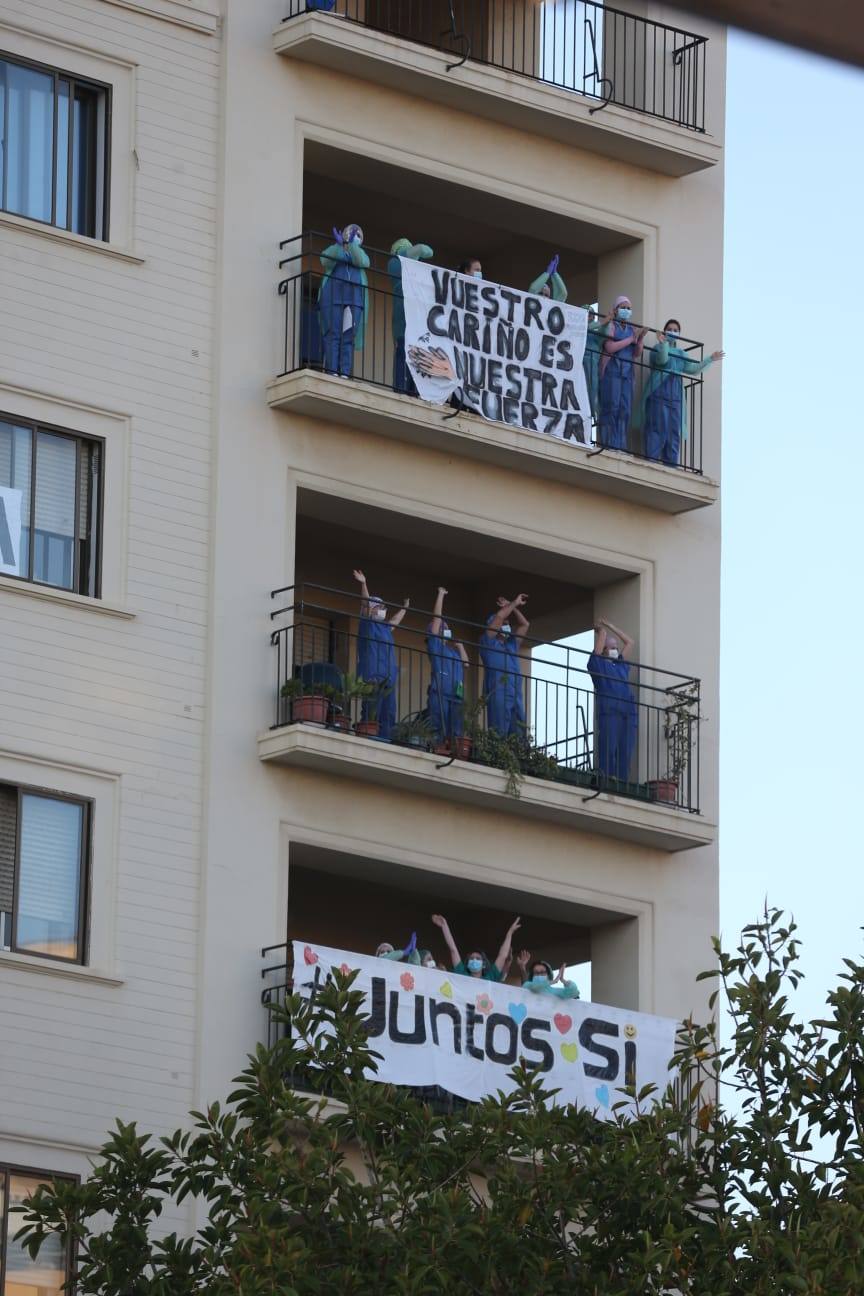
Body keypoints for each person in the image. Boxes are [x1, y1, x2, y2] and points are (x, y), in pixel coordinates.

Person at [638, 320, 725, 466]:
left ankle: (671, 466)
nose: (673, 332)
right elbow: (662, 360)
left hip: (676, 398)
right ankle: (651, 463)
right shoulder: (657, 348)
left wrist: (710, 359)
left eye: (675, 330)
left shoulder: (681, 354)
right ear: (665, 332)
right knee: (656, 428)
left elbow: (693, 369)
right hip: (658, 394)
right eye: (670, 329)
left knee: (673, 433)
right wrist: (663, 344)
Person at [353, 568, 408, 741]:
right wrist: (364, 583)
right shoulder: (367, 623)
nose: (381, 609)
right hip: (373, 677)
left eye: (383, 607)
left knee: (389, 713)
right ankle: (369, 740)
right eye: (377, 606)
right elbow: (364, 602)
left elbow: (395, 621)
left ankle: (386, 742)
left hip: (388, 680)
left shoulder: (385, 628)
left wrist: (405, 607)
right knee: (371, 711)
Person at [587, 616, 638, 784]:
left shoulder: (621, 666)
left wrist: (611, 625)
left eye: (616, 647)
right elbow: (600, 641)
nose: (615, 650)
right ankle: (607, 780)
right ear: (604, 650)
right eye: (612, 648)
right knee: (609, 747)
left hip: (627, 714)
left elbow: (630, 642)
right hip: (609, 712)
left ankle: (622, 782)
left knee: (625, 751)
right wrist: (602, 630)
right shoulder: (598, 664)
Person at [318, 224, 370, 378]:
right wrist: (339, 245)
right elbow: (324, 260)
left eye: (358, 234)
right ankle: (332, 371)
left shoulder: (360, 254)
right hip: (332, 299)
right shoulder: (336, 250)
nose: (354, 236)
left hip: (354, 302)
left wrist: (353, 245)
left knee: (348, 337)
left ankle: (344, 373)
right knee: (333, 335)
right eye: (352, 233)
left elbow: (363, 262)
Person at [598, 295, 647, 450]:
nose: (626, 311)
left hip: (627, 375)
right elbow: (610, 347)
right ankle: (607, 444)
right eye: (623, 307)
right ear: (616, 310)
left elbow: (637, 353)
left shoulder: (632, 329)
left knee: (624, 409)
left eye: (628, 308)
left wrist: (640, 339)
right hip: (612, 371)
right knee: (611, 406)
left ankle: (620, 445)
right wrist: (630, 340)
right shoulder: (611, 326)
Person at [388, 237, 434, 396]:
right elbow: (424, 249)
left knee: (413, 356)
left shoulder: (410, 273)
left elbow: (426, 251)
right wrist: (411, 252)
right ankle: (403, 388)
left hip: (412, 322)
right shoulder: (395, 263)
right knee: (404, 353)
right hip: (405, 321)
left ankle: (412, 389)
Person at [480, 594, 529, 736]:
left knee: (519, 732)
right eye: (504, 624)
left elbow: (525, 624)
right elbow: (499, 617)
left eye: (508, 624)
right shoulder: (488, 642)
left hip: (515, 693)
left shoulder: (512, 644)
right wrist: (513, 603)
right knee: (499, 730)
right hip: (499, 691)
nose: (507, 626)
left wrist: (513, 607)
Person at [426, 586, 469, 746]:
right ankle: (438, 750)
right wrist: (441, 595)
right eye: (443, 627)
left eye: (446, 627)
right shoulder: (435, 645)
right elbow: (436, 618)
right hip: (440, 693)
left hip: (456, 695)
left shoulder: (452, 651)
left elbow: (466, 663)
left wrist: (460, 646)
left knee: (456, 731)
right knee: (438, 726)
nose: (446, 629)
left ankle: (454, 753)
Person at [431, 913, 522, 982]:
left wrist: (510, 933)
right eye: (471, 958)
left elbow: (502, 955)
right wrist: (444, 926)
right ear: (467, 963)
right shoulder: (462, 974)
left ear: (484, 964)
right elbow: (453, 949)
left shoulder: (490, 977)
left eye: (478, 958)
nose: (474, 960)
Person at [582, 305, 613, 423]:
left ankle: (591, 415)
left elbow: (603, 333)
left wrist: (607, 322)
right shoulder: (578, 327)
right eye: (585, 313)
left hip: (592, 365)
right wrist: (602, 322)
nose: (588, 316)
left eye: (591, 314)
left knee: (592, 389)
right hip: (579, 365)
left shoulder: (595, 333)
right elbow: (583, 327)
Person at [516, 951, 581, 999]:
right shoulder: (528, 985)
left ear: (548, 975)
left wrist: (563, 980)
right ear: (532, 976)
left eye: (542, 972)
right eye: (536, 973)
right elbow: (535, 988)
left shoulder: (554, 991)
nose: (539, 975)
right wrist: (553, 981)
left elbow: (574, 992)